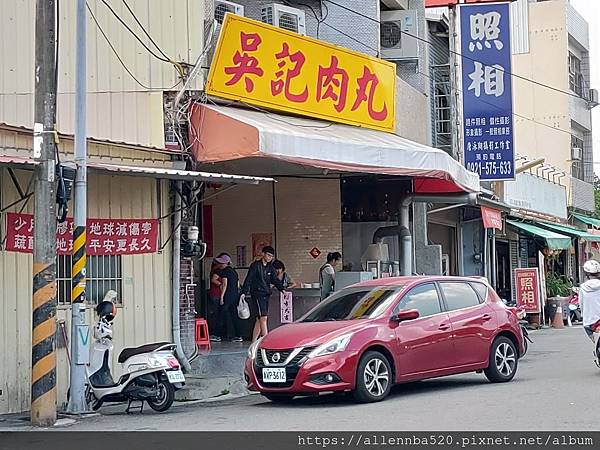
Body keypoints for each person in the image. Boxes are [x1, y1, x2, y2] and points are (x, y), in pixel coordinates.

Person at [241, 246, 285, 342]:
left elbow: (275, 280)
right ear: (263, 254)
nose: (270, 258)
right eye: (268, 255)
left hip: (266, 294)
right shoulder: (255, 265)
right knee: (263, 317)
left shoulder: (271, 268)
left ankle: (253, 342)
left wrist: (282, 289)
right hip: (257, 294)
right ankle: (266, 340)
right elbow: (249, 279)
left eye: (271, 256)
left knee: (259, 319)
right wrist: (244, 292)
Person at [214, 254, 244, 342]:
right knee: (235, 316)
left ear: (225, 263)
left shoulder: (225, 272)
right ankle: (239, 335)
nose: (220, 264)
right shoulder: (234, 271)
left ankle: (217, 335)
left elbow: (224, 285)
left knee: (221, 315)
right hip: (235, 296)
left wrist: (222, 297)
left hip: (228, 296)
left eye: (221, 262)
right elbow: (238, 284)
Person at [579, 259, 600, 341]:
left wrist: (583, 315)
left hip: (589, 322)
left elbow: (581, 305)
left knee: (594, 340)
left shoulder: (583, 287)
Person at [207, 256, 225, 342]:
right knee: (217, 314)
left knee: (216, 314)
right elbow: (213, 280)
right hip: (216, 294)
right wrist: (221, 284)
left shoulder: (215, 270)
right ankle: (215, 333)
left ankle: (215, 333)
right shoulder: (217, 271)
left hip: (215, 294)